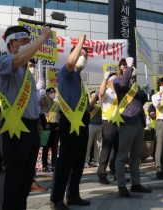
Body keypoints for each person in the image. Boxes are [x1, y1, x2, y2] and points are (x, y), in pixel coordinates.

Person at [0, 25, 52, 210]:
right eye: (25, 42)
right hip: (14, 127)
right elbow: (20, 58)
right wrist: (43, 37)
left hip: (30, 128)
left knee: (25, 177)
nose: (29, 46)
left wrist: (37, 119)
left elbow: (30, 101)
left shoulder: (27, 72)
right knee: (12, 176)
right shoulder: (5, 60)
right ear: (12, 43)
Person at [50, 34, 90, 210]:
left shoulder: (79, 79)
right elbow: (71, 63)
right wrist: (80, 43)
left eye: (86, 56)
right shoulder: (66, 73)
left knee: (79, 161)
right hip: (70, 120)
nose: (84, 58)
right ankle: (56, 200)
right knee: (65, 161)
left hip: (82, 122)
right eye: (82, 54)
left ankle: (73, 195)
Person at [113, 57, 152, 197]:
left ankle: (136, 184)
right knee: (122, 155)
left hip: (139, 122)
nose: (128, 68)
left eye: (130, 66)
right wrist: (128, 69)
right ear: (121, 69)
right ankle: (122, 185)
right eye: (124, 66)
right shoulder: (117, 81)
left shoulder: (135, 85)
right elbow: (123, 83)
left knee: (136, 156)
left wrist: (145, 91)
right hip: (127, 121)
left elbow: (142, 100)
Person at [97, 72, 120, 184]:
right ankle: (101, 173)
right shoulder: (107, 92)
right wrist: (105, 77)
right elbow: (101, 93)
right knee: (106, 149)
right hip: (108, 123)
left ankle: (117, 173)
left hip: (119, 122)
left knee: (118, 150)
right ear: (110, 82)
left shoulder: (120, 93)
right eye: (114, 80)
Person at [40, 87, 60, 172]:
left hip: (56, 125)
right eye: (51, 92)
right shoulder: (45, 101)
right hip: (47, 125)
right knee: (46, 146)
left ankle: (54, 164)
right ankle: (44, 165)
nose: (53, 93)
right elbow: (42, 105)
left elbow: (60, 113)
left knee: (55, 146)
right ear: (47, 93)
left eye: (54, 92)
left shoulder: (56, 103)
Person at [84, 90, 102, 168]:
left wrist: (99, 97)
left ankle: (97, 160)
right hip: (91, 125)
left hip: (100, 125)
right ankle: (86, 161)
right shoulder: (88, 104)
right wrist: (94, 97)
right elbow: (90, 107)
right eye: (94, 96)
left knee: (98, 145)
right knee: (88, 144)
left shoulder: (99, 104)